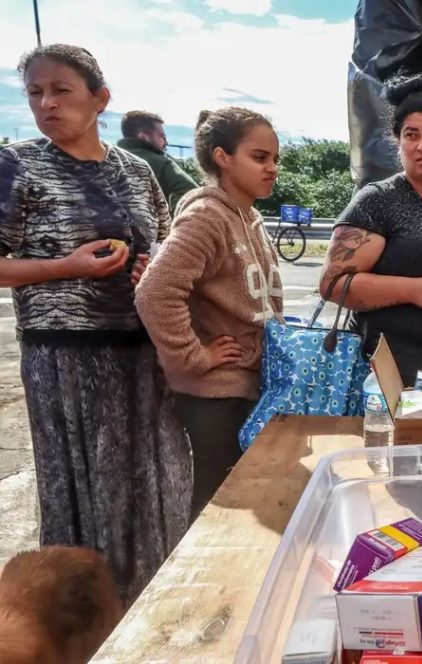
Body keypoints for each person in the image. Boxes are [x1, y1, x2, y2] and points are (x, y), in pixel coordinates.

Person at [0, 44, 190, 602]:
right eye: (35, 93)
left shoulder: (135, 170)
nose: (47, 104)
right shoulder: (18, 164)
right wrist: (68, 266)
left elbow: (160, 242)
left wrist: (149, 267)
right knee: (91, 490)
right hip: (66, 357)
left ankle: (155, 598)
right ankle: (86, 614)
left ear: (99, 99)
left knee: (161, 478)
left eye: (61, 90)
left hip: (141, 351)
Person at [135, 107, 283, 521]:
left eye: (275, 159)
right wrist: (196, 357)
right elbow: (155, 293)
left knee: (245, 503)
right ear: (223, 157)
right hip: (213, 394)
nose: (271, 168)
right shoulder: (206, 217)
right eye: (259, 157)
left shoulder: (249, 217)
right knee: (216, 510)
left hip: (248, 386)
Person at [320, 75, 422, 386]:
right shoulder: (378, 200)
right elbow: (332, 284)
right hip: (390, 379)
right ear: (399, 143)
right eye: (411, 135)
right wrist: (413, 290)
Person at [117, 110, 198, 216]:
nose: (166, 143)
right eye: (162, 137)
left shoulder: (105, 159)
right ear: (144, 136)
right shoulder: (161, 163)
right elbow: (193, 193)